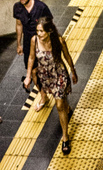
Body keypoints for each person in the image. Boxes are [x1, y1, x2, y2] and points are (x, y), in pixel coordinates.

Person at [24, 17, 77, 153]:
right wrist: (28, 76)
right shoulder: (34, 40)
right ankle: (67, 107)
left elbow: (67, 56)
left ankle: (65, 138)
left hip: (59, 74)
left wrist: (73, 72)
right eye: (37, 31)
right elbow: (31, 57)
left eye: (42, 31)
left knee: (59, 105)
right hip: (45, 76)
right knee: (62, 103)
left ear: (49, 31)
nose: (39, 34)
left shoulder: (58, 40)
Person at [14, 0, 53, 105]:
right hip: (28, 43)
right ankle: (43, 96)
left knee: (48, 70)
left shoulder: (41, 7)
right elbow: (19, 25)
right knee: (33, 71)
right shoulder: (17, 7)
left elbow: (50, 26)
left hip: (42, 42)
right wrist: (18, 44)